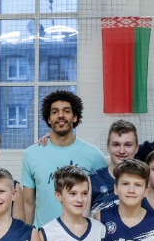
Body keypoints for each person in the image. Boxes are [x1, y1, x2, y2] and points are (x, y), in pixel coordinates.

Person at [21, 90, 107, 228]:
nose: (60, 115)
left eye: (66, 111)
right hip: (43, 235)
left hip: (82, 235)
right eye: (55, 112)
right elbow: (28, 203)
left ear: (75, 117)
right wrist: (28, 234)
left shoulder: (94, 155)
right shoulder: (31, 154)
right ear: (48, 119)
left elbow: (103, 200)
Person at [89, 120, 140, 215]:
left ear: (136, 148)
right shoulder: (92, 180)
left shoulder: (146, 181)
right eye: (116, 144)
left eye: (128, 145)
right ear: (108, 146)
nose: (122, 151)